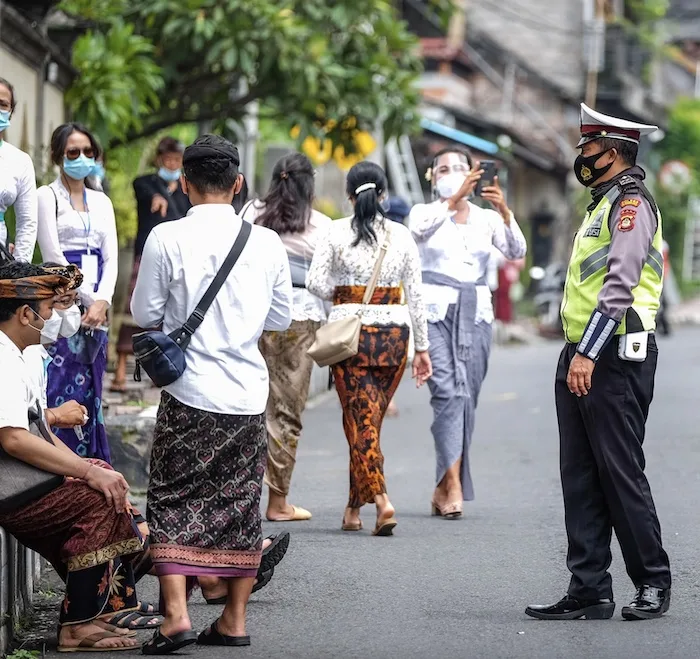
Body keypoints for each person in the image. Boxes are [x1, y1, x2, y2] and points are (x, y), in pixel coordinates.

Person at [131, 135, 293, 651]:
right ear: (238, 183)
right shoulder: (265, 242)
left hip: (188, 390)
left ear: (185, 182)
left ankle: (176, 613)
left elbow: (143, 314)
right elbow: (281, 318)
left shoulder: (165, 237)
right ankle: (233, 621)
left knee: (174, 496)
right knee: (242, 501)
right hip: (246, 392)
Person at [525, 104, 671, 621]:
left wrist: (587, 350)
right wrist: (577, 352)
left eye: (589, 147)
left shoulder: (631, 205)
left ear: (614, 151)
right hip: (582, 352)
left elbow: (620, 285)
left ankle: (653, 582)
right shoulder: (600, 204)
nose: (581, 155)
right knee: (580, 474)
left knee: (619, 472)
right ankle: (589, 588)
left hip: (611, 353)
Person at [0, 261, 152, 650]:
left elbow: (42, 431)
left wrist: (89, 470)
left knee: (102, 475)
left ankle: (103, 608)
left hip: (21, 478)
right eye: (48, 309)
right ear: (24, 314)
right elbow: (14, 439)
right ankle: (76, 625)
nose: (53, 317)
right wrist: (86, 475)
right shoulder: (2, 359)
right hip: (9, 486)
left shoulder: (19, 353)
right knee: (96, 500)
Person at [307, 161, 432, 536]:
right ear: (384, 195)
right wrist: (422, 349)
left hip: (352, 338)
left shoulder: (333, 232)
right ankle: (351, 509)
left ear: (348, 195)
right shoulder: (401, 235)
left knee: (362, 425)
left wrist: (344, 297)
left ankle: (381, 501)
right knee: (366, 424)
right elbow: (417, 296)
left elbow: (314, 281)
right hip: (394, 339)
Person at [409, 147, 526, 518]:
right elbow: (418, 232)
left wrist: (505, 211)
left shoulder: (486, 219)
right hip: (433, 313)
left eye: (461, 167)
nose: (453, 172)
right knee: (448, 392)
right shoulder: (425, 213)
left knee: (467, 398)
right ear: (432, 176)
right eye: (444, 168)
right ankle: (455, 485)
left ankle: (444, 481)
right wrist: (454, 200)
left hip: (476, 315)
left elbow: (515, 249)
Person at [238, 153, 331, 523]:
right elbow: (326, 284)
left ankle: (242, 497)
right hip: (300, 321)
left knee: (248, 407)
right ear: (309, 184)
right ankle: (277, 503)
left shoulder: (250, 213)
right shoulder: (321, 226)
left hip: (252, 316)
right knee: (287, 413)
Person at [36, 123, 118, 462]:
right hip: (63, 302)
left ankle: (94, 463)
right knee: (57, 385)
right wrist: (88, 300)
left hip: (97, 308)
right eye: (73, 152)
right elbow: (53, 255)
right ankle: (60, 466)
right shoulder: (47, 196)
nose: (82, 158)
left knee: (92, 390)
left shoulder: (102, 201)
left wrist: (103, 301)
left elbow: (111, 256)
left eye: (88, 151)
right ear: (58, 156)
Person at [112, 137, 190, 392]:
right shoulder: (147, 182)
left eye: (177, 160)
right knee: (130, 311)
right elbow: (140, 187)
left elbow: (185, 214)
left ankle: (162, 370)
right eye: (168, 159)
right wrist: (159, 195)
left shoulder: (185, 188)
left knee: (171, 313)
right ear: (159, 159)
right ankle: (121, 372)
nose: (172, 164)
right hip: (145, 254)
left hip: (177, 256)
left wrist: (172, 193)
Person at [0, 77, 38, 262]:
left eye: (3, 104)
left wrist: (21, 269)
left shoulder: (19, 161)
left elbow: (27, 222)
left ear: (11, 111)